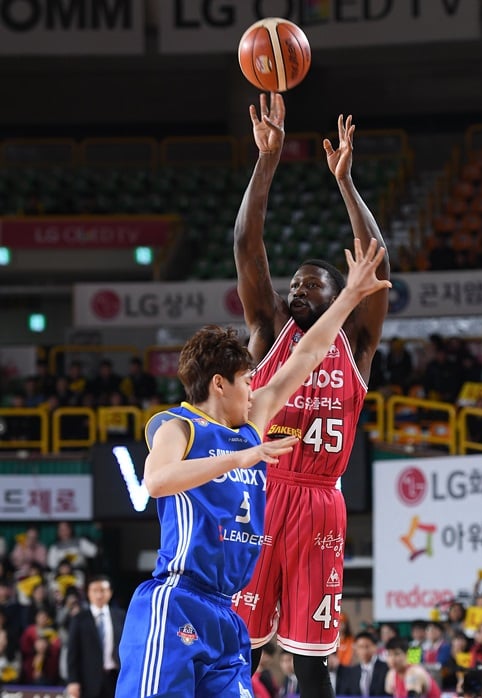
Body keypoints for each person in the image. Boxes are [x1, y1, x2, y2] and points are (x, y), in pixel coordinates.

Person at [114, 240, 391, 698]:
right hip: (178, 600)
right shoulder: (177, 426)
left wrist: (350, 297)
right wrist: (241, 459)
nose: (255, 386)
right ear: (220, 384)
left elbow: (306, 357)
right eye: (247, 380)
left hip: (225, 612)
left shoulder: (252, 422)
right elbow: (156, 481)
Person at [232, 92, 390, 698]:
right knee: (238, 648)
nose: (296, 288)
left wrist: (346, 184)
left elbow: (373, 263)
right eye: (292, 283)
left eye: (310, 284)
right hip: (264, 494)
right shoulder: (269, 333)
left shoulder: (357, 343)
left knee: (310, 663)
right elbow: (248, 246)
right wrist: (265, 161)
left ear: (335, 293)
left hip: (322, 502)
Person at [66, 574, 125, 698]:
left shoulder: (120, 616)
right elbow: (72, 653)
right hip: (88, 680)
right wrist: (73, 681)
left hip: (115, 678)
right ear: (88, 593)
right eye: (95, 591)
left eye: (103, 590)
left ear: (110, 592)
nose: (99, 595)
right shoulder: (79, 619)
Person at [336, 630, 390, 696]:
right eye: (360, 647)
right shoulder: (351, 672)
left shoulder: (386, 668)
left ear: (375, 647)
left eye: (367, 646)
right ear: (356, 649)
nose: (364, 650)